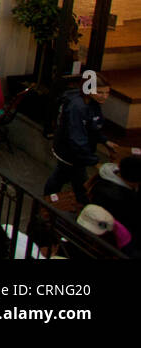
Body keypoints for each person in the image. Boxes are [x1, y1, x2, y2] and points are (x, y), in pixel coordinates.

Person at [44, 75, 117, 203]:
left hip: (74, 153)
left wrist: (105, 141)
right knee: (75, 179)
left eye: (107, 92)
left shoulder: (92, 102)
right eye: (100, 92)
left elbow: (93, 125)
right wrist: (94, 162)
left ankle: (48, 201)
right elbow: (77, 138)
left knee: (63, 176)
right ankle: (50, 202)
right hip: (70, 152)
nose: (104, 96)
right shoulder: (77, 107)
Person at [90, 155, 141, 252]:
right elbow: (133, 220)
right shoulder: (121, 198)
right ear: (133, 182)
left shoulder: (107, 176)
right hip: (121, 233)